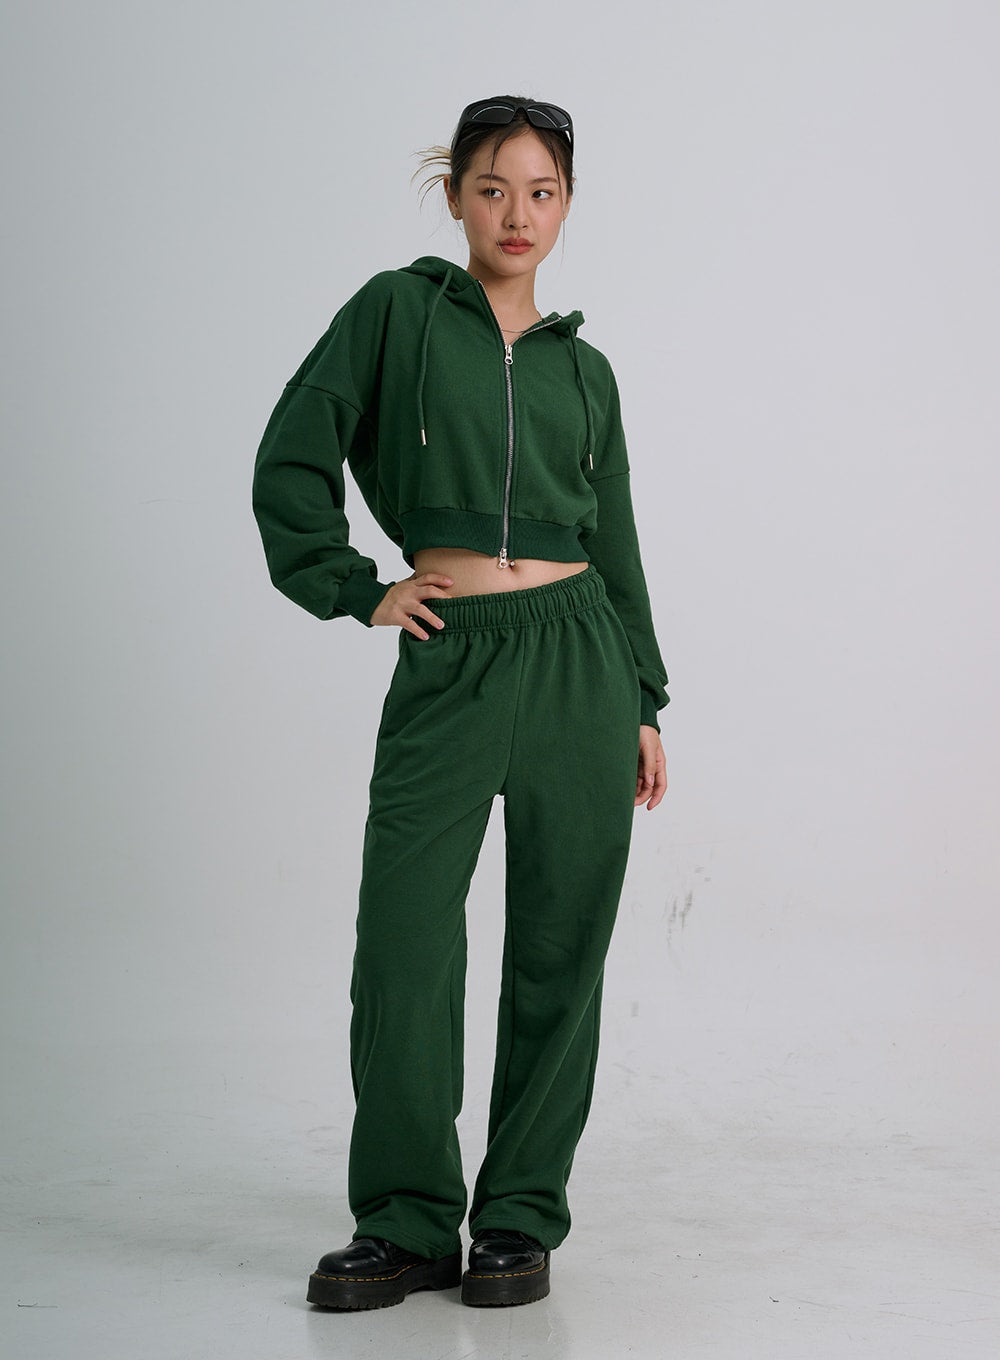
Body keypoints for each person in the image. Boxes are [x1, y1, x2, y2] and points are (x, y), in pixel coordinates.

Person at [252, 94, 670, 1311]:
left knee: (559, 947)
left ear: (568, 204)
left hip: (581, 658)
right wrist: (354, 587)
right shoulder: (395, 312)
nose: (515, 214)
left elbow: (617, 540)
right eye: (492, 188)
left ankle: (519, 1215)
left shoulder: (586, 370)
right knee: (405, 943)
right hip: (450, 653)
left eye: (541, 191)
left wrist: (644, 699)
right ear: (454, 198)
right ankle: (405, 1219)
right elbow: (294, 450)